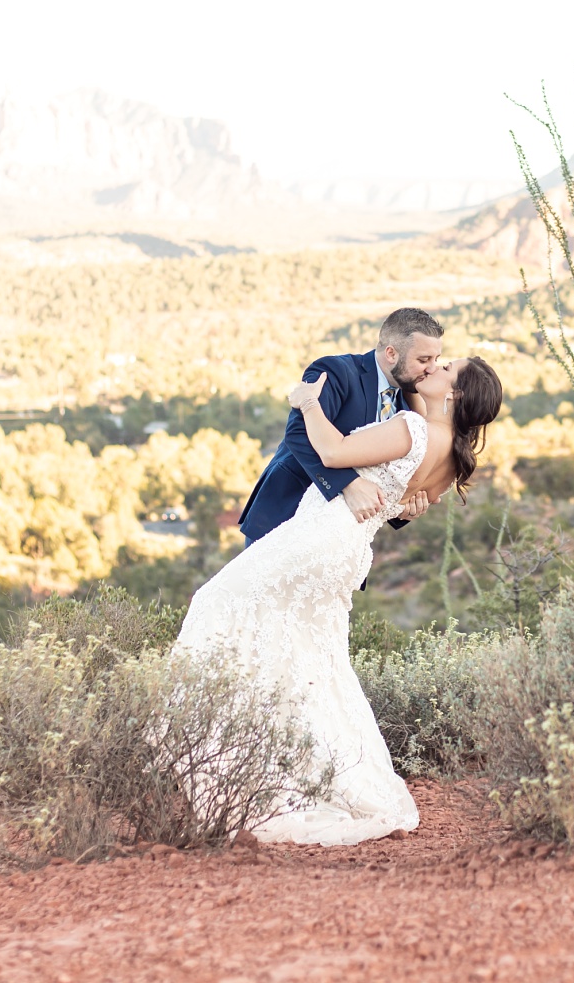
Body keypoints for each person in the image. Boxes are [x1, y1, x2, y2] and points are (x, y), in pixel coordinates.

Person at [172, 343, 504, 845]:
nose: (436, 365)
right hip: (347, 550)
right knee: (308, 660)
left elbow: (330, 453)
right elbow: (411, 503)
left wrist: (306, 403)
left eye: (447, 367)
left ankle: (226, 759)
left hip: (321, 538)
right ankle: (306, 774)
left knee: (217, 603)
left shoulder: (414, 430)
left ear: (455, 392)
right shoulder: (449, 453)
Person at [238, 307, 445, 542]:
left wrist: (404, 511)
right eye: (423, 360)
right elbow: (298, 434)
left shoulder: (410, 407)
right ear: (391, 353)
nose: (432, 369)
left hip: (344, 537)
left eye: (436, 360)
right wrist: (348, 484)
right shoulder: (335, 372)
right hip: (286, 519)